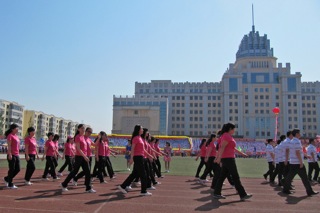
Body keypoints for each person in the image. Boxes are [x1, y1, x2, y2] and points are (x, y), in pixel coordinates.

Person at [213, 123, 252, 201]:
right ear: (230, 129)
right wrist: (218, 158)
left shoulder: (225, 136)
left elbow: (232, 147)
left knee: (222, 176)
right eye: (234, 129)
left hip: (227, 158)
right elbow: (222, 147)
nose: (234, 131)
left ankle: (217, 193)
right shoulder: (226, 136)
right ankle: (242, 194)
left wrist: (242, 153)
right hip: (228, 159)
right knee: (235, 177)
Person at [118, 125, 154, 196]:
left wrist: (149, 155)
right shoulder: (135, 138)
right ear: (138, 130)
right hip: (138, 157)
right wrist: (131, 158)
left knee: (134, 174)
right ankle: (143, 191)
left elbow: (143, 149)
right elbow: (133, 148)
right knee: (143, 175)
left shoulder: (140, 138)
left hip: (141, 157)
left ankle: (122, 186)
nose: (143, 130)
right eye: (141, 129)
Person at [282, 129, 318, 196]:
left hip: (293, 162)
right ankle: (309, 191)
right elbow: (297, 152)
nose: (300, 134)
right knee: (304, 178)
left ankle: (285, 189)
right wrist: (301, 162)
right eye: (299, 133)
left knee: (289, 177)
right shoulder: (297, 141)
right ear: (296, 134)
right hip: (298, 163)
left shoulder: (291, 141)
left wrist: (306, 156)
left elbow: (299, 151)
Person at [61, 124, 96, 193]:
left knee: (88, 172)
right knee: (74, 172)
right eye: (82, 128)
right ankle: (64, 184)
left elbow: (90, 146)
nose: (83, 129)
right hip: (79, 157)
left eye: (84, 128)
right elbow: (78, 149)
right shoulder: (77, 137)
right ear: (78, 129)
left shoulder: (83, 137)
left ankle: (88, 188)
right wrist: (85, 156)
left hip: (84, 157)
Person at [3, 123, 21, 189]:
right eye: (17, 128)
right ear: (13, 129)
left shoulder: (16, 136)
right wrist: (9, 154)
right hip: (11, 154)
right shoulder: (10, 136)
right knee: (12, 169)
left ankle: (7, 178)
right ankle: (10, 184)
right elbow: (9, 146)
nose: (18, 129)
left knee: (18, 169)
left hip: (17, 154)